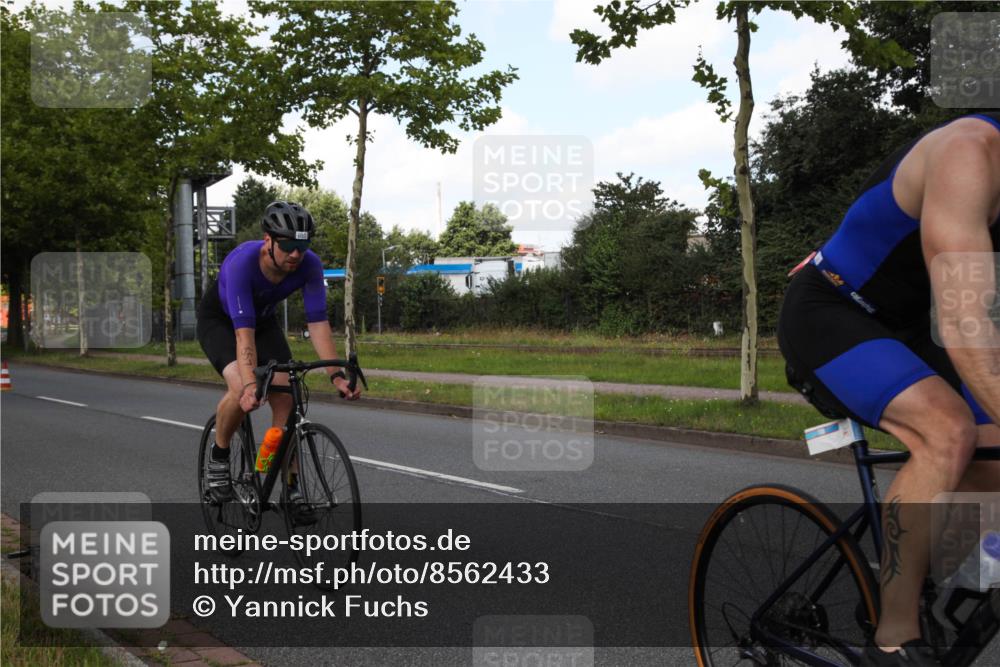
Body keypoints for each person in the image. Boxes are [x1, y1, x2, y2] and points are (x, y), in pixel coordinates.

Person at [778, 112, 1000, 666]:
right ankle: (893, 636)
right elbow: (964, 321)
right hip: (833, 310)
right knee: (946, 431)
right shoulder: (968, 153)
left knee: (993, 455)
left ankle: (944, 561)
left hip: (910, 328)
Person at [196, 200, 361, 504]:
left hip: (263, 322)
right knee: (240, 388)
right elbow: (243, 338)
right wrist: (249, 385)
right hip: (221, 321)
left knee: (286, 396)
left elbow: (318, 321)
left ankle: (289, 484)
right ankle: (218, 457)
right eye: (287, 246)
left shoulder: (309, 264)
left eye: (302, 246)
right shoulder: (242, 264)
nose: (296, 254)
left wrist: (336, 375)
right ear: (268, 241)